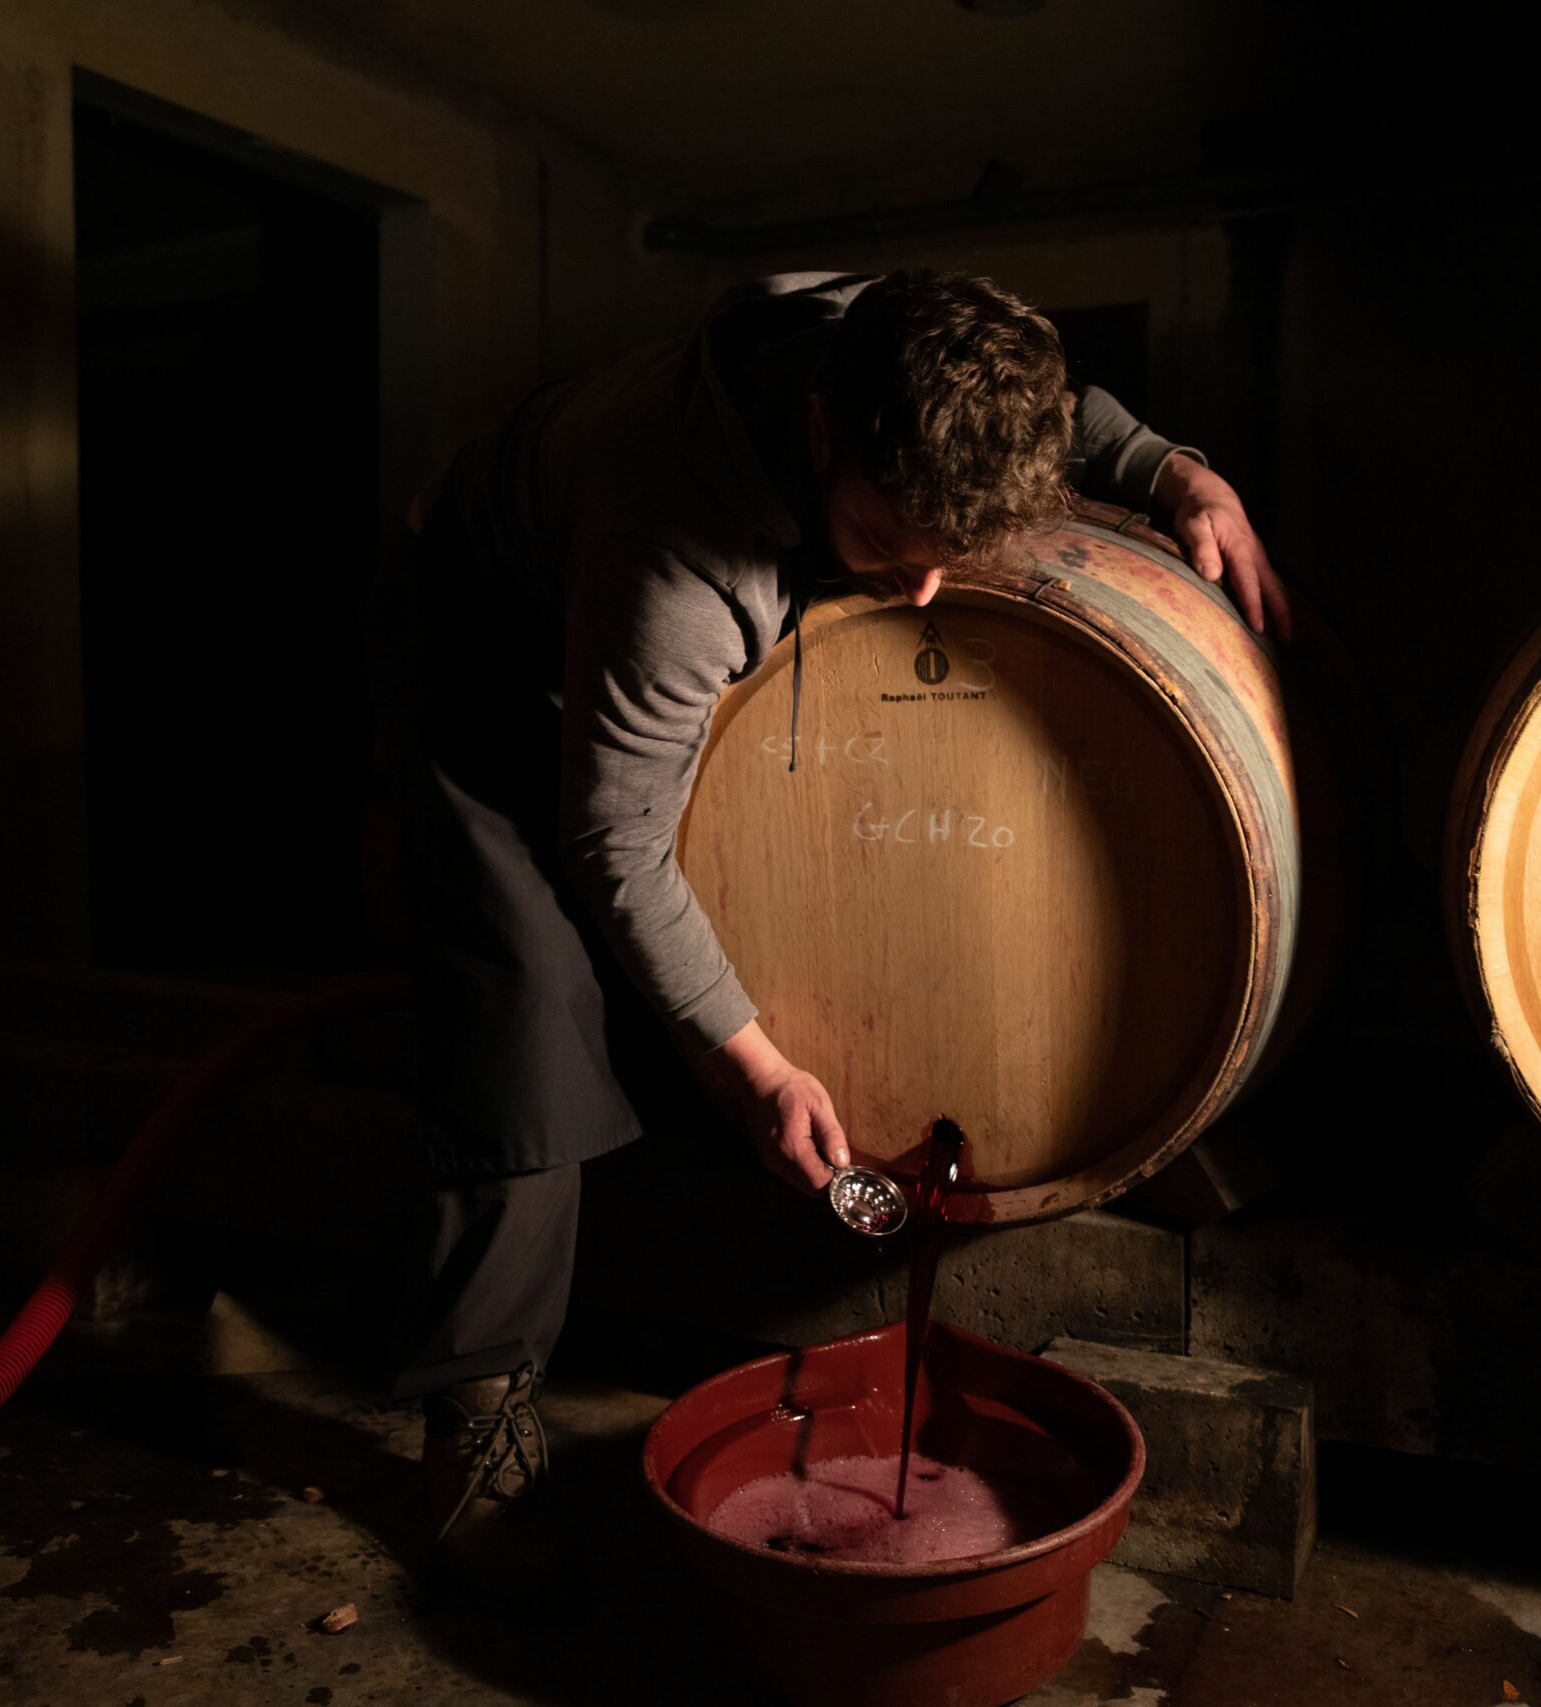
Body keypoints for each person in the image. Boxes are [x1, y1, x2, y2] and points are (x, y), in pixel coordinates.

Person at [376, 269, 1285, 1546]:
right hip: (493, 629)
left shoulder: (897, 346)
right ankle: (478, 1409)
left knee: (687, 944)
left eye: (945, 559)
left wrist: (1177, 473)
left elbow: (1051, 410)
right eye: (887, 547)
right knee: (527, 1006)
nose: (921, 594)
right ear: (820, 430)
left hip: (638, 581)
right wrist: (752, 1068)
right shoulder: (673, 563)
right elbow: (614, 840)